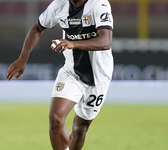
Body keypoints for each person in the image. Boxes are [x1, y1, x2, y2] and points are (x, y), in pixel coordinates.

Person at [6, 0, 113, 149]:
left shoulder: (98, 4)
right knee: (55, 119)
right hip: (71, 72)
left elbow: (106, 41)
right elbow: (37, 27)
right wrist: (23, 58)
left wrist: (73, 44)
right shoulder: (59, 4)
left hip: (98, 77)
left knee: (80, 129)